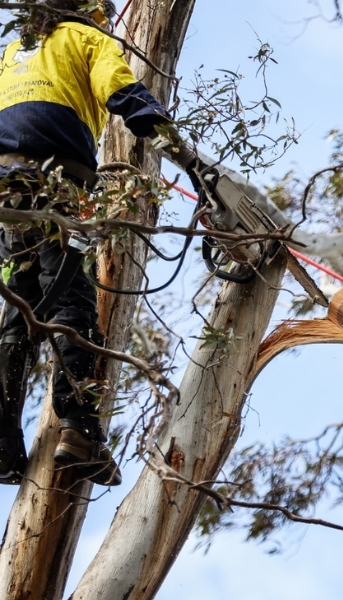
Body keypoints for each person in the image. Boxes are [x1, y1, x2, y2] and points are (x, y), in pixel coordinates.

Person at [0, 0, 182, 486]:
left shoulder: (14, 48)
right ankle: (80, 431)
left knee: (20, 300)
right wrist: (175, 142)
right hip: (56, 178)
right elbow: (123, 92)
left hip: (4, 187)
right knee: (70, 298)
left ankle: (1, 441)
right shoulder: (88, 39)